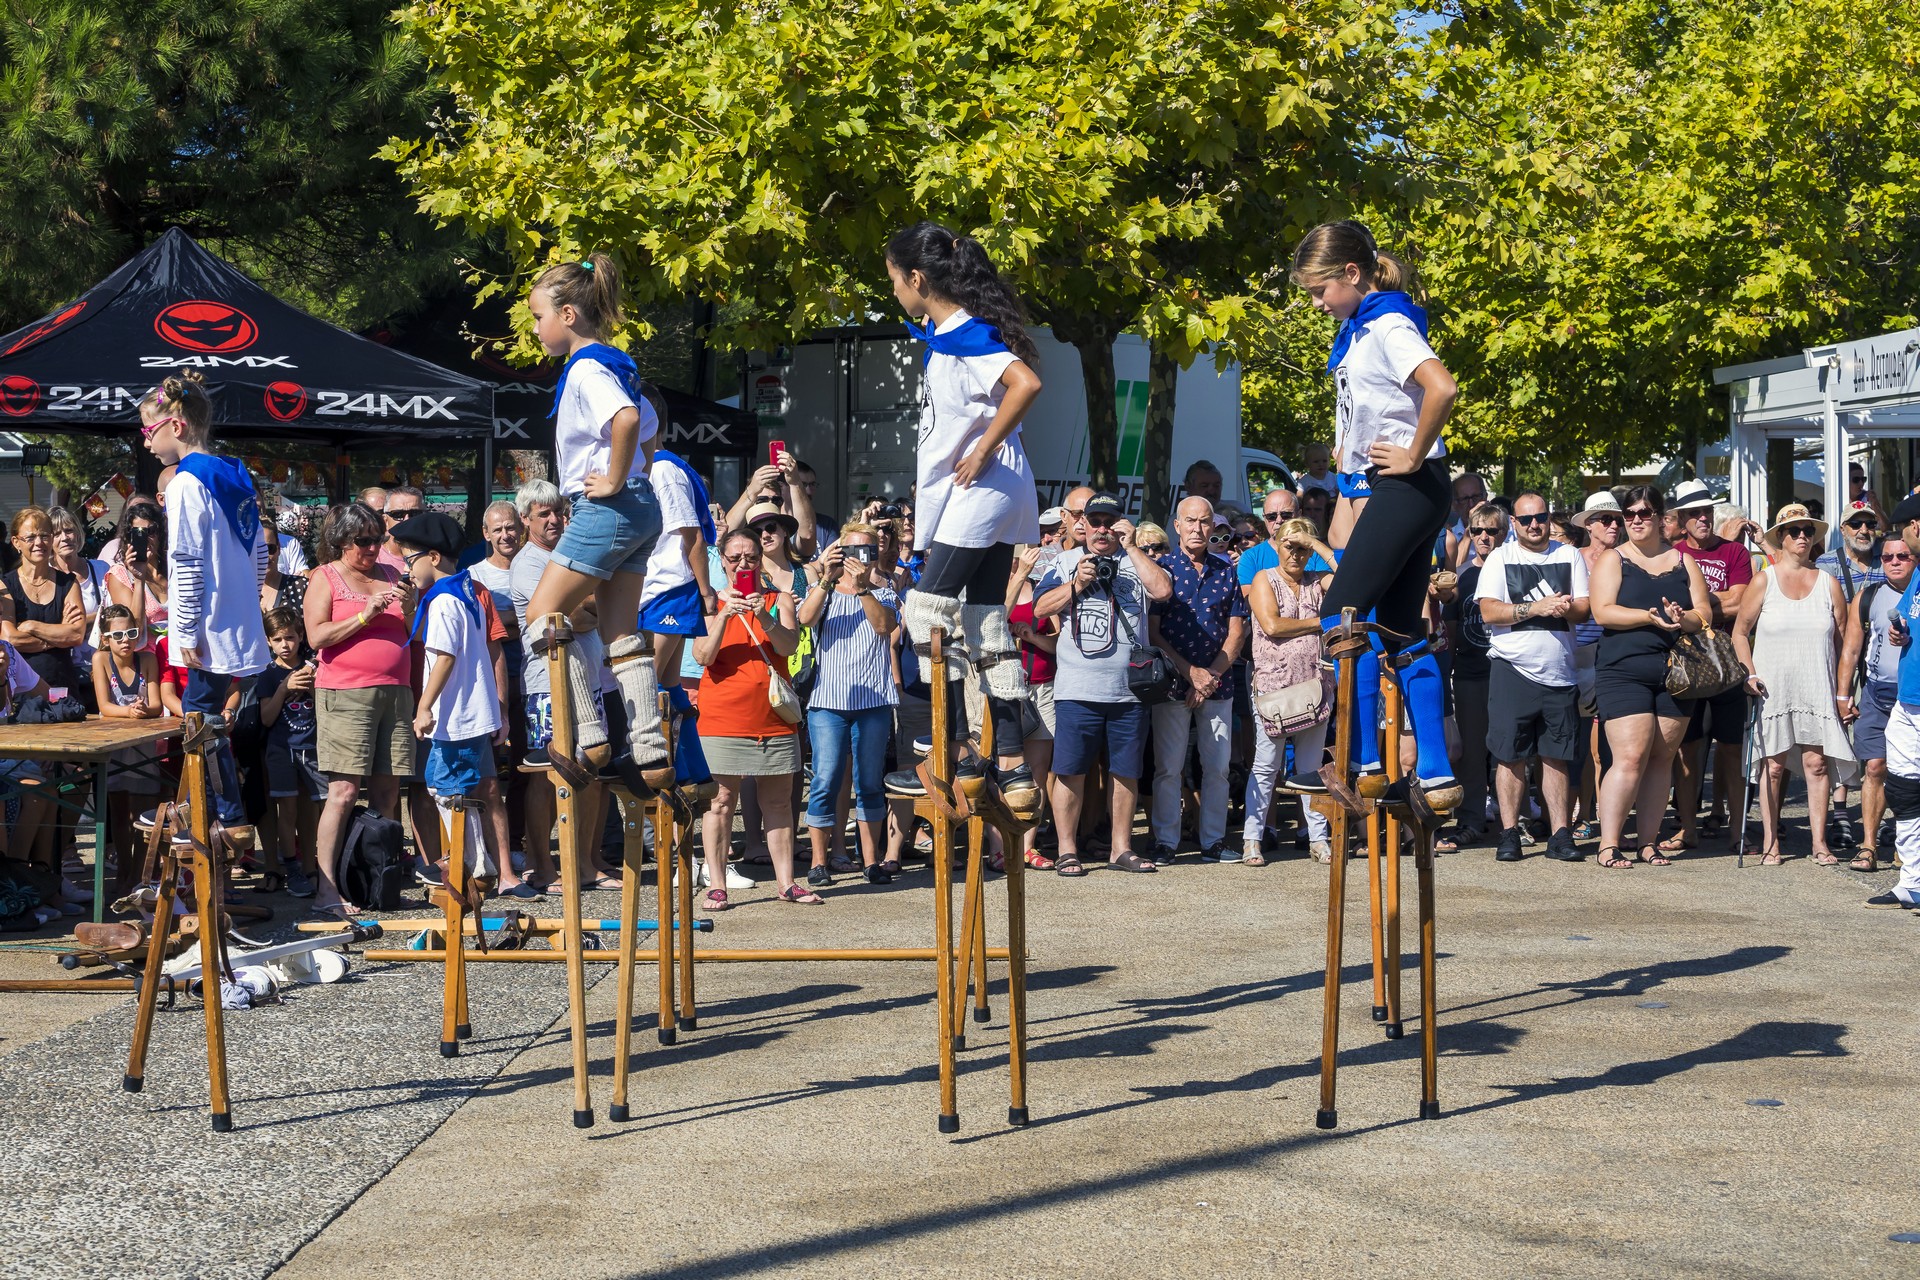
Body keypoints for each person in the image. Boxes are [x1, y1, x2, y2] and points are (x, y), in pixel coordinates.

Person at [1284, 220, 1457, 809]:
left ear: (1351, 275)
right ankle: (1434, 773)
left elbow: (1443, 388)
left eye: (1319, 290)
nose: (1315, 303)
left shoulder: (1386, 323)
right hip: (1387, 488)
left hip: (1409, 483)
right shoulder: (1359, 332)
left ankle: (1360, 760)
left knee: (1341, 618)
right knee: (1402, 631)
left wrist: (1412, 451)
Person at [882, 221, 1043, 816]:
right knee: (984, 620)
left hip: (985, 488)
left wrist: (981, 447)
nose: (896, 292)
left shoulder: (966, 333)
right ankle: (1010, 761)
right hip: (992, 491)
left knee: (927, 610)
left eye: (896, 281)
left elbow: (1025, 383)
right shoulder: (949, 333)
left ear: (918, 279)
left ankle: (947, 745)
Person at [520, 253, 673, 796]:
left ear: (567, 314)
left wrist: (610, 479)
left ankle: (590, 733)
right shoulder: (618, 364)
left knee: (542, 613)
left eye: (538, 318)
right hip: (638, 506)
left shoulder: (586, 369)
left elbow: (628, 419)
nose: (534, 329)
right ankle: (650, 749)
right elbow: (649, 423)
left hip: (606, 506)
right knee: (620, 631)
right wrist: (635, 472)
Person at [139, 372, 270, 840]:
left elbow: (187, 563)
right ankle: (205, 814)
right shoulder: (235, 472)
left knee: (199, 726)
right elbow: (260, 554)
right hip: (235, 623)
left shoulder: (184, 483)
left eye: (148, 431)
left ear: (174, 425)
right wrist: (247, 604)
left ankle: (216, 816)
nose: (148, 444)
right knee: (207, 722)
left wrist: (186, 630)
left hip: (208, 628)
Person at [1033, 492, 1174, 875]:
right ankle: (1067, 848)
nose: (1101, 529)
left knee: (1126, 771)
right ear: (1083, 526)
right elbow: (1039, 609)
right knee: (1070, 770)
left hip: (1128, 689)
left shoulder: (1134, 560)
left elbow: (1162, 591)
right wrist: (1076, 584)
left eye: (1109, 522)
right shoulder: (1064, 562)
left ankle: (1120, 849)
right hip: (1077, 689)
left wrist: (1133, 549)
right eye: (1094, 521)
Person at [1589, 486, 1712, 869]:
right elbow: (1602, 613)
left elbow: (1703, 613)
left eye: (1644, 513)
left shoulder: (1683, 561)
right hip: (1624, 670)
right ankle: (1609, 844)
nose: (1636, 520)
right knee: (1629, 757)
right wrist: (1648, 616)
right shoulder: (1614, 559)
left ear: (1661, 518)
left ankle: (1648, 842)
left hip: (1677, 672)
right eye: (1630, 514)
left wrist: (1683, 618)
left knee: (1662, 758)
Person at [305, 502, 416, 917]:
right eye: (363, 541)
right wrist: (365, 616)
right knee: (344, 792)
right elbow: (316, 637)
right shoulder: (326, 577)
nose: (373, 549)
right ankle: (326, 889)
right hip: (346, 693)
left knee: (389, 791)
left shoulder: (390, 573)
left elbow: (411, 631)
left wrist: (408, 608)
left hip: (396, 691)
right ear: (340, 542)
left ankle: (380, 886)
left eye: (377, 539)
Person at [1732, 504, 1858, 866]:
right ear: (1781, 539)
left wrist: (1840, 691)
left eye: (1807, 531)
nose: (1802, 536)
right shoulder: (1764, 580)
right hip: (1772, 687)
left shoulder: (1829, 583)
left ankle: (1820, 843)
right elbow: (1740, 633)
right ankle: (1771, 841)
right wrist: (1749, 673)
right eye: (1794, 531)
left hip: (1815, 685)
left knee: (1816, 764)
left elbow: (1842, 643)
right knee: (1772, 766)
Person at [508, 480, 618, 893]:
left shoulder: (568, 558)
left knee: (591, 769)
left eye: (558, 512)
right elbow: (575, 616)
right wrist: (593, 605)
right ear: (525, 520)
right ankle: (542, 866)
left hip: (588, 680)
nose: (554, 520)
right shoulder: (530, 563)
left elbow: (592, 613)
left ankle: (587, 863)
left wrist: (590, 607)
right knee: (548, 776)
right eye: (543, 514)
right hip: (547, 687)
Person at [695, 530, 811, 906]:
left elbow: (789, 647)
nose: (742, 564)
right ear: (722, 560)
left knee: (777, 802)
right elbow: (703, 657)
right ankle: (717, 884)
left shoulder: (779, 599)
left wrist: (764, 614)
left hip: (773, 716)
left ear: (760, 560)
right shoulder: (710, 604)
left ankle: (787, 882)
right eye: (735, 558)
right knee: (721, 801)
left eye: (750, 557)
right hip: (722, 718)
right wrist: (726, 615)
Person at [398, 511, 509, 899]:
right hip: (466, 712)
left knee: (449, 786)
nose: (407, 570)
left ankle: (473, 862)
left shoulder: (445, 601)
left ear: (432, 557)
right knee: (442, 783)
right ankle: (469, 857)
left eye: (410, 561)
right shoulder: (464, 591)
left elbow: (444, 657)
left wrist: (424, 706)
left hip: (457, 714)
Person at [1474, 493, 1590, 863]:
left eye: (1540, 517)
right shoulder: (1500, 557)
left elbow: (1585, 608)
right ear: (1513, 523)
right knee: (1510, 756)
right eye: (1526, 520)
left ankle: (1560, 835)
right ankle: (1509, 834)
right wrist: (1536, 607)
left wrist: (1567, 607)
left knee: (1556, 757)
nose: (1534, 525)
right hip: (1513, 668)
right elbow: (1489, 611)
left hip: (1560, 672)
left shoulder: (1568, 555)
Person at [1148, 495, 1249, 863]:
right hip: (1173, 682)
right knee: (1168, 767)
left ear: (1213, 526)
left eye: (1204, 522)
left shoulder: (1227, 571)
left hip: (1218, 683)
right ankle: (1165, 842)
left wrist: (1212, 676)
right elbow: (1153, 632)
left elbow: (1237, 632)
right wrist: (1191, 674)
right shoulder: (1162, 570)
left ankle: (1213, 841)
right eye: (1190, 521)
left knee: (1218, 768)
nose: (1197, 528)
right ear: (1177, 526)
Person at [799, 522, 900, 886]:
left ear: (875, 554)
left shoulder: (884, 590)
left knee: (870, 782)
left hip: (872, 701)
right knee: (825, 780)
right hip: (828, 701)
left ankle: (870, 860)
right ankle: (819, 861)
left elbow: (884, 627)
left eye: (866, 551)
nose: (859, 559)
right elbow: (803, 619)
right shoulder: (822, 589)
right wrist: (827, 579)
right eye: (852, 550)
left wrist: (862, 590)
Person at [1668, 478, 1753, 849]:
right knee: (1687, 748)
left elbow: (1742, 602)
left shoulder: (1734, 552)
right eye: (1695, 513)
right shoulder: (1671, 554)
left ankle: (1738, 832)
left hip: (1728, 662)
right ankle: (1687, 828)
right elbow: (1669, 604)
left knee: (1731, 747)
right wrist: (1714, 604)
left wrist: (1698, 605)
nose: (1704, 518)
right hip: (1686, 660)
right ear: (1682, 519)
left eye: (1707, 511)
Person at [1244, 518, 1335, 864]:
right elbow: (1272, 625)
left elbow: (1351, 588)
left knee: (1313, 768)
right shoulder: (1263, 578)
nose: (1295, 555)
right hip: (1274, 688)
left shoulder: (1317, 580)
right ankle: (1252, 838)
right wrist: (1321, 622)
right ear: (1276, 546)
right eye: (1289, 546)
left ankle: (1318, 839)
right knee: (1266, 765)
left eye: (1302, 548)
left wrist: (1320, 547)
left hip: (1314, 686)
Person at [638, 442, 719, 798]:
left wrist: (706, 593)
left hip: (669, 588)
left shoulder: (663, 470)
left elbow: (693, 535)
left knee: (647, 682)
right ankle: (693, 773)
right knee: (668, 684)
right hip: (658, 589)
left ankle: (672, 770)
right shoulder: (648, 466)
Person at [1837, 533, 1911, 872]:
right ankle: (1868, 846)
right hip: (1876, 694)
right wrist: (1843, 694)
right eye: (1887, 557)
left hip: (1913, 699)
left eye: (1903, 556)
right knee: (1875, 768)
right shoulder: (1868, 597)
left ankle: (1906, 846)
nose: (1894, 562)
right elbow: (1851, 650)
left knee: (1912, 774)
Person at [1869, 494, 1920, 909]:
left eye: (1903, 532)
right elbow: (1908, 616)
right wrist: (1902, 632)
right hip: (1908, 700)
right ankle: (1912, 881)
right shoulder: (1918, 576)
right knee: (1903, 788)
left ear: (1915, 528)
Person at [91, 601, 162, 900]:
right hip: (116, 745)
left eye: (131, 633)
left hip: (144, 747)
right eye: (117, 635)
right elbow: (104, 707)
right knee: (119, 814)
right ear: (106, 638)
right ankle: (124, 870)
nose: (125, 641)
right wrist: (130, 712)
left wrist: (142, 712)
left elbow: (157, 705)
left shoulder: (147, 659)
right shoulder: (101, 659)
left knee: (144, 815)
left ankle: (139, 875)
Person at [1444, 503, 1505, 845]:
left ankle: (1518, 819)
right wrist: (1448, 672)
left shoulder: (1514, 569)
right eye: (1476, 531)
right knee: (1470, 753)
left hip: (1508, 670)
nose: (1484, 537)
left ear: (1504, 534)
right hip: (1469, 672)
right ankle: (1471, 819)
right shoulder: (1463, 576)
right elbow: (1451, 629)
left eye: (1492, 530)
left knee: (1512, 750)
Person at [255, 605, 321, 897]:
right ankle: (290, 866)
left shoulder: (311, 668)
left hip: (311, 748)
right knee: (288, 811)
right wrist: (284, 687)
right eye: (279, 639)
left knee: (310, 812)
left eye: (291, 638)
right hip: (280, 752)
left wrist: (312, 688)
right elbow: (266, 717)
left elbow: (325, 710)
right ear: (269, 641)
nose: (285, 645)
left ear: (301, 636)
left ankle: (311, 867)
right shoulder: (267, 674)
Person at [0, 507, 87, 703]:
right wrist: (56, 638)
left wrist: (32, 626)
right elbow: (9, 639)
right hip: (21, 694)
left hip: (64, 688)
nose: (39, 543)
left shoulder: (68, 583)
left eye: (44, 535)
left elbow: (75, 635)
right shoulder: (5, 586)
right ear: (16, 542)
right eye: (30, 537)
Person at [47, 507, 107, 680]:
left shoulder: (101, 569)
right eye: (57, 533)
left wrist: (76, 623)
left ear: (78, 533)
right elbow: (51, 624)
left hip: (103, 666)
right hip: (63, 669)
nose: (65, 538)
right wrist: (98, 616)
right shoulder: (46, 577)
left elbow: (116, 616)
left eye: (69, 530)